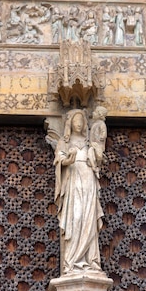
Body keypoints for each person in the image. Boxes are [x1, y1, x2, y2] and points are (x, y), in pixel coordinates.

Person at [54, 109, 104, 273]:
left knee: (88, 217)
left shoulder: (89, 141)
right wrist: (68, 160)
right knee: (76, 217)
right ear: (70, 123)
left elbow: (98, 159)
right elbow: (59, 159)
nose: (79, 123)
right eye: (76, 120)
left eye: (82, 120)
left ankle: (91, 260)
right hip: (73, 182)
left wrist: (96, 152)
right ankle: (73, 261)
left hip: (88, 180)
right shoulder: (64, 141)